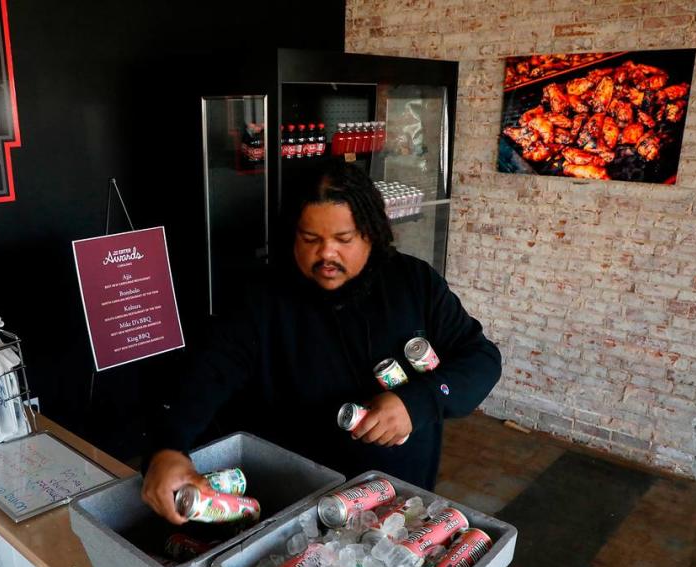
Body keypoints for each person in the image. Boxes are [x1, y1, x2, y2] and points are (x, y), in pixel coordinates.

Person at [142, 160, 501, 524]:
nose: (326, 254)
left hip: (397, 499)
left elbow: (481, 359)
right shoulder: (261, 299)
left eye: (343, 240)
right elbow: (206, 375)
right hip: (294, 502)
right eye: (310, 239)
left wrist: (419, 402)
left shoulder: (414, 283)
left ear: (371, 234)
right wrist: (167, 448)